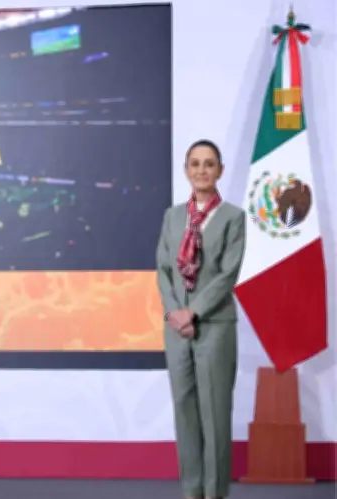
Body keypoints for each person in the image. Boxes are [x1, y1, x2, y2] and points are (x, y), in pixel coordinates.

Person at [155, 139, 246, 499]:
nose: (202, 170)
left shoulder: (233, 217)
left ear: (220, 170)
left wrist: (193, 311)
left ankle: (214, 492)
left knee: (215, 413)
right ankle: (192, 491)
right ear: (186, 170)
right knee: (185, 410)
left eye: (209, 164)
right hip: (176, 328)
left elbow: (227, 274)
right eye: (195, 163)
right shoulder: (172, 217)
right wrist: (175, 312)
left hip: (215, 326)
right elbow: (163, 269)